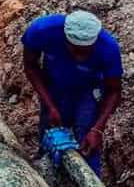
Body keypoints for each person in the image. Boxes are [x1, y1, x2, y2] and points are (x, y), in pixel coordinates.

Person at [21, 10, 122, 176]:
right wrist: (50, 105)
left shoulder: (108, 48)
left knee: (86, 135)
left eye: (86, 52)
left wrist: (97, 129)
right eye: (75, 50)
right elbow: (30, 66)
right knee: (51, 125)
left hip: (88, 89)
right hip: (54, 82)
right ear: (65, 38)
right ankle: (45, 168)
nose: (80, 58)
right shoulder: (42, 31)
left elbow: (114, 91)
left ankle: (89, 183)